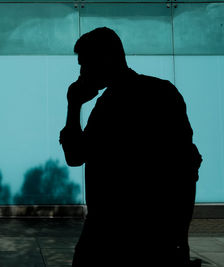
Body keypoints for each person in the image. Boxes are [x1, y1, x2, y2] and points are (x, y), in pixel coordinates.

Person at [59, 27, 202, 267]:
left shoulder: (109, 106)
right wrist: (180, 237)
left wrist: (73, 105)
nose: (82, 72)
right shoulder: (162, 92)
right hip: (155, 232)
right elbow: (187, 169)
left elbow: (74, 156)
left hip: (112, 233)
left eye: (85, 64)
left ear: (105, 59)